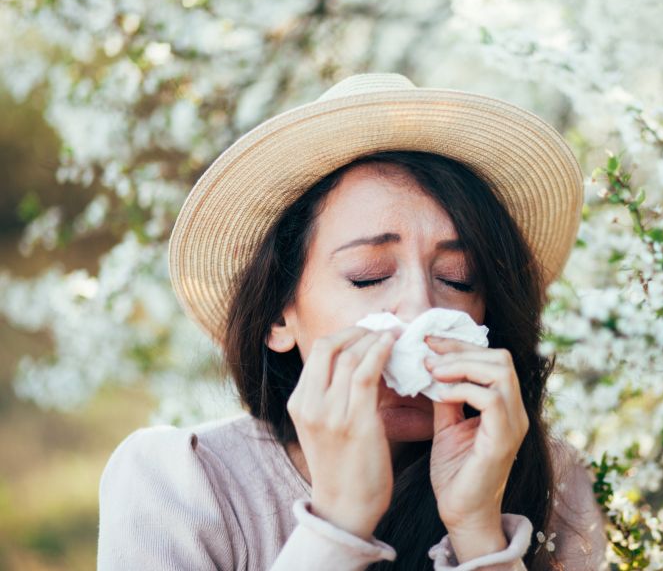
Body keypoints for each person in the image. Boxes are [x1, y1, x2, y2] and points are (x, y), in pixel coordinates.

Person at [97, 73, 608, 570]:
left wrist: (478, 534)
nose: (419, 310)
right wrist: (338, 525)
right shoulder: (177, 483)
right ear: (278, 314)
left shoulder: (556, 485)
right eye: (368, 277)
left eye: (457, 278)